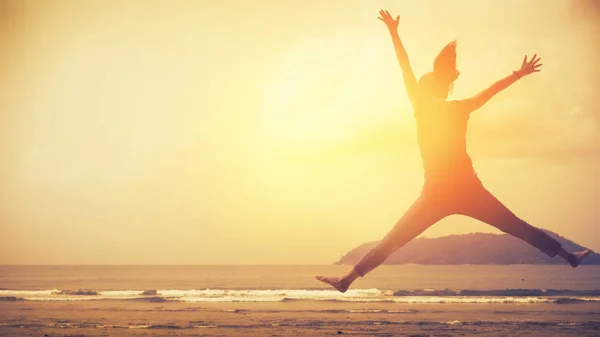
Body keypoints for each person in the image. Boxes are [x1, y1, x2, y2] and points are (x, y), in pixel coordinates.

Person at [316, 10, 592, 293]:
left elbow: (405, 67)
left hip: (437, 192)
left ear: (426, 88)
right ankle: (568, 256)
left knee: (393, 240)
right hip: (467, 189)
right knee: (516, 226)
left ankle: (346, 280)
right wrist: (518, 74)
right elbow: (490, 91)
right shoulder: (458, 107)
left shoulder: (421, 107)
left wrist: (394, 33)